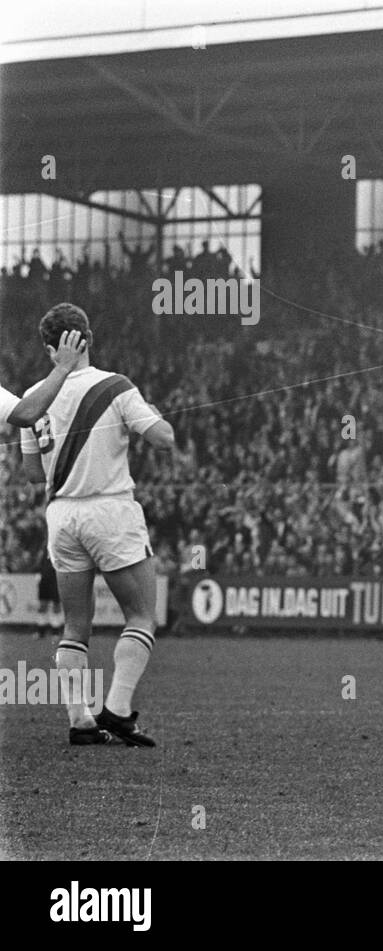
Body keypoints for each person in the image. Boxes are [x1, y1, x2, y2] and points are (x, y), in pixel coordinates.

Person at [20, 303, 179, 747]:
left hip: (61, 516)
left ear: (50, 349)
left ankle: (81, 721)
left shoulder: (34, 397)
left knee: (75, 626)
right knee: (141, 616)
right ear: (88, 338)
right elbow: (164, 439)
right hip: (109, 510)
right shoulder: (116, 386)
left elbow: (32, 474)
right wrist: (150, 415)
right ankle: (119, 710)